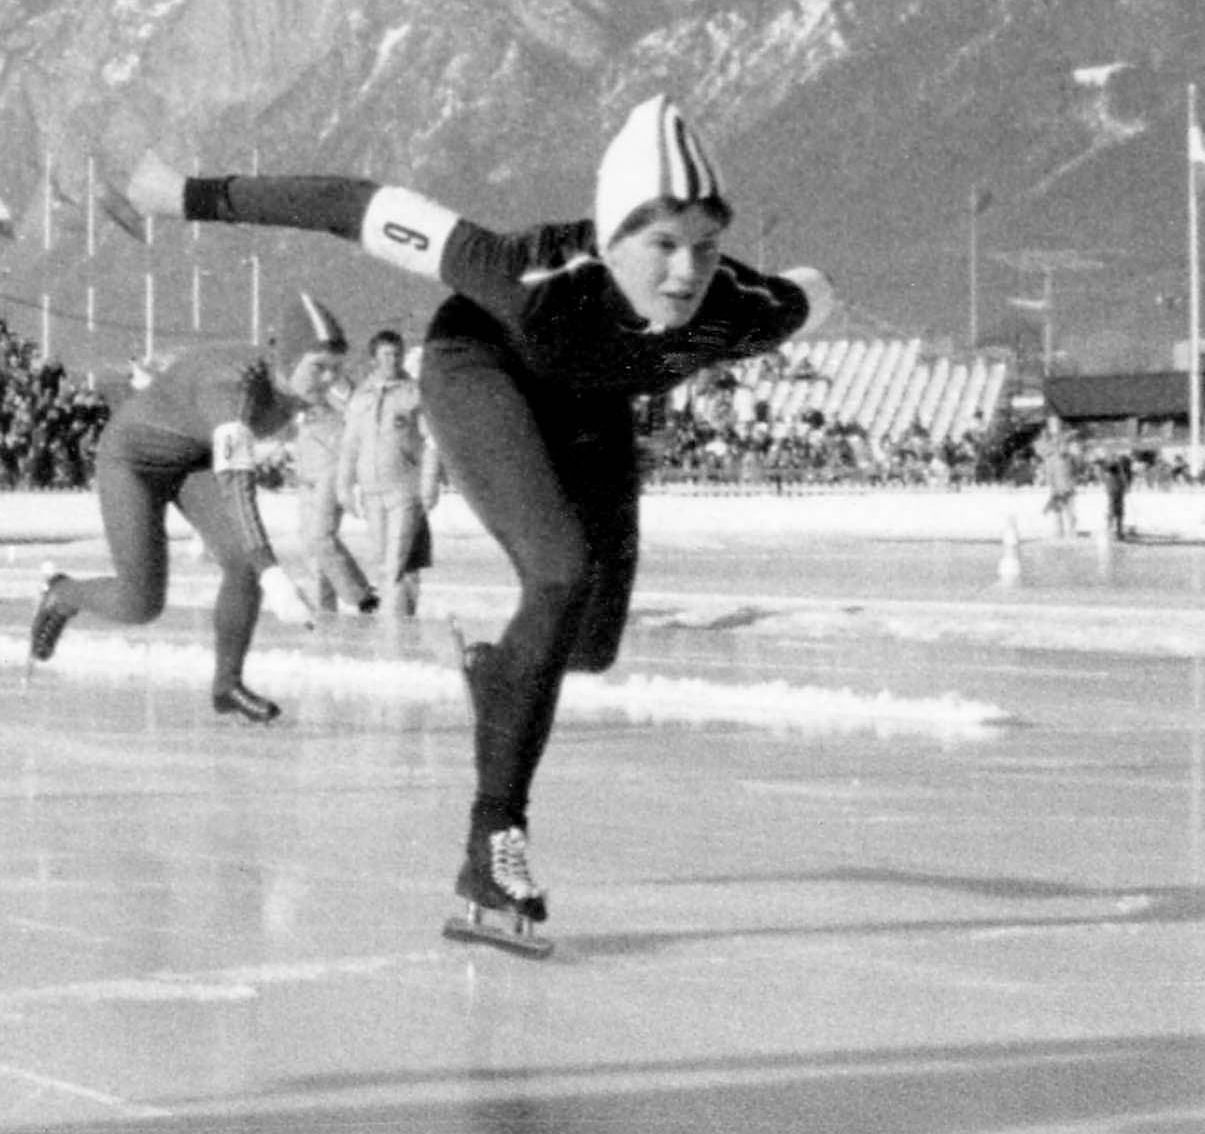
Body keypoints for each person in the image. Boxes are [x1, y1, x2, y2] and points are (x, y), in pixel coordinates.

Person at [128, 97, 824, 948]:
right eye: (661, 244)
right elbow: (351, 205)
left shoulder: (744, 306)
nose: (686, 272)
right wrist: (190, 194)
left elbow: (813, 293)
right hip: (479, 365)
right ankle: (493, 841)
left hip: (593, 402)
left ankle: (498, 676)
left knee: (588, 644)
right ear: (611, 239)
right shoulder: (524, 274)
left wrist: (817, 292)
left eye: (706, 246)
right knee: (559, 571)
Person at [25, 343, 329, 723]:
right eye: (320, 368)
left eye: (336, 368)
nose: (330, 379)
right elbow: (237, 486)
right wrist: (272, 572)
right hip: (132, 464)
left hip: (192, 459)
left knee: (242, 562)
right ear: (290, 360)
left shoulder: (294, 384)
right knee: (141, 604)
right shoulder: (233, 391)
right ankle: (61, 594)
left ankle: (227, 685)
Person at [279, 295, 375, 616]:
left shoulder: (333, 384)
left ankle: (361, 596)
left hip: (331, 467)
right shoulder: (297, 387)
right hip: (307, 469)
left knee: (321, 537)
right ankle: (324, 611)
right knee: (310, 543)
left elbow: (357, 412)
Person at [339, 328, 440, 616]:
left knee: (397, 560)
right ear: (373, 358)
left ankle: (394, 624)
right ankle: (398, 619)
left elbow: (432, 441)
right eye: (386, 355)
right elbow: (350, 444)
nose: (392, 360)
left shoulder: (413, 395)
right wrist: (344, 486)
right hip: (372, 491)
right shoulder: (361, 398)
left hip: (405, 489)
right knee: (384, 561)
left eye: (397, 354)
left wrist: (429, 483)